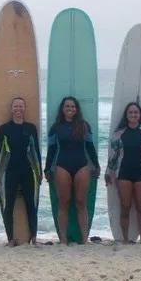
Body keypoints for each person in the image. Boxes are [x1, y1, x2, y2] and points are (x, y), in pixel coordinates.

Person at [45, 96, 100, 244]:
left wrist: (96, 165)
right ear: (62, 109)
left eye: (73, 106)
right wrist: (47, 168)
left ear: (77, 109)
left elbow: (90, 147)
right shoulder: (55, 128)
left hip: (82, 166)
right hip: (62, 166)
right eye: (67, 106)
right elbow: (51, 150)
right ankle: (63, 239)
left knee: (81, 202)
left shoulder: (84, 126)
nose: (70, 109)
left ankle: (84, 239)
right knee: (64, 202)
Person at [0, 97, 41, 245]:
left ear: (24, 108)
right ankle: (10, 239)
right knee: (8, 205)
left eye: (21, 106)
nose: (18, 109)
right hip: (10, 172)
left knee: (31, 204)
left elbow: (36, 152)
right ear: (11, 109)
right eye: (16, 106)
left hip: (28, 171)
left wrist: (39, 172)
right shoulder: (4, 129)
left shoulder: (31, 128)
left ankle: (33, 237)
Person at [106, 101, 141, 242]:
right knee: (125, 207)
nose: (133, 115)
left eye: (136, 112)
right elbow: (113, 156)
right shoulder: (118, 134)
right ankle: (126, 239)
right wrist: (108, 172)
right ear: (126, 115)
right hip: (123, 174)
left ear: (140, 115)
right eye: (131, 112)